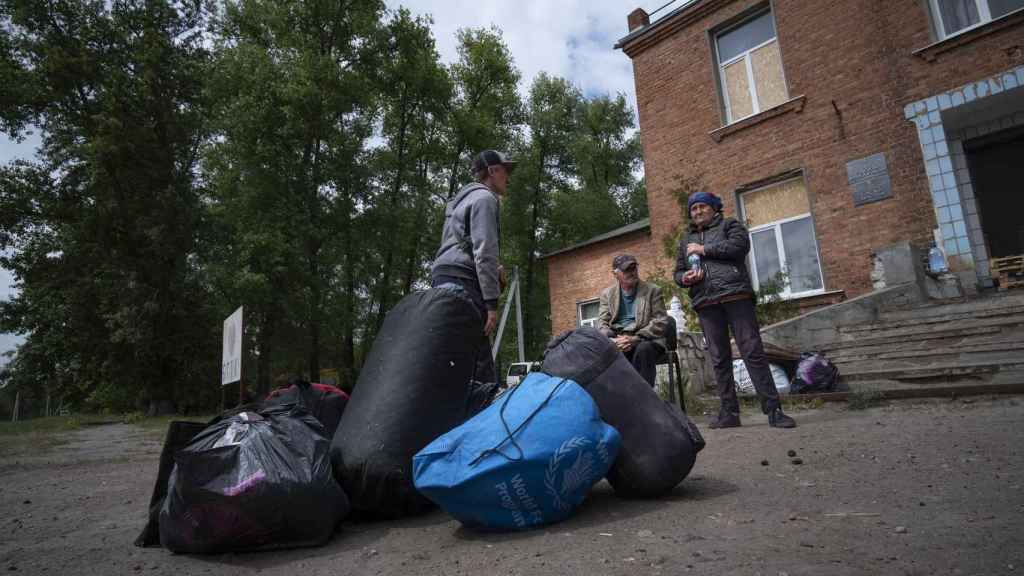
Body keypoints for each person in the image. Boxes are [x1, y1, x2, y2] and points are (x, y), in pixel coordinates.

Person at [674, 191, 796, 429]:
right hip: (706, 301)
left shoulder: (730, 225)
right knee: (719, 359)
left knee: (752, 351)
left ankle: (774, 411)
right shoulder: (685, 239)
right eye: (693, 209)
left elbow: (739, 247)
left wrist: (703, 250)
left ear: (714, 208)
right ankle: (729, 413)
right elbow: (677, 272)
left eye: (702, 207)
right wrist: (685, 277)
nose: (697, 212)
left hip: (735, 295)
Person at [430, 149, 515, 387]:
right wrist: (491, 303)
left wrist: (490, 270)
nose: (508, 177)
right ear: (492, 171)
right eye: (505, 171)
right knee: (480, 370)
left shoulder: (458, 202)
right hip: (463, 284)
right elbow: (485, 250)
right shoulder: (486, 199)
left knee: (454, 362)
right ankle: (484, 419)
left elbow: (460, 246)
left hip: (442, 279)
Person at [597, 254, 669, 387]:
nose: (632, 273)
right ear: (615, 274)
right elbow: (602, 323)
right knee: (606, 353)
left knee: (643, 350)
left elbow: (660, 321)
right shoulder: (607, 294)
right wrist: (613, 341)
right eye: (627, 270)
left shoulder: (653, 290)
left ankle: (645, 400)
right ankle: (620, 401)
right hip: (619, 339)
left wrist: (635, 338)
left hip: (647, 339)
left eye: (634, 268)